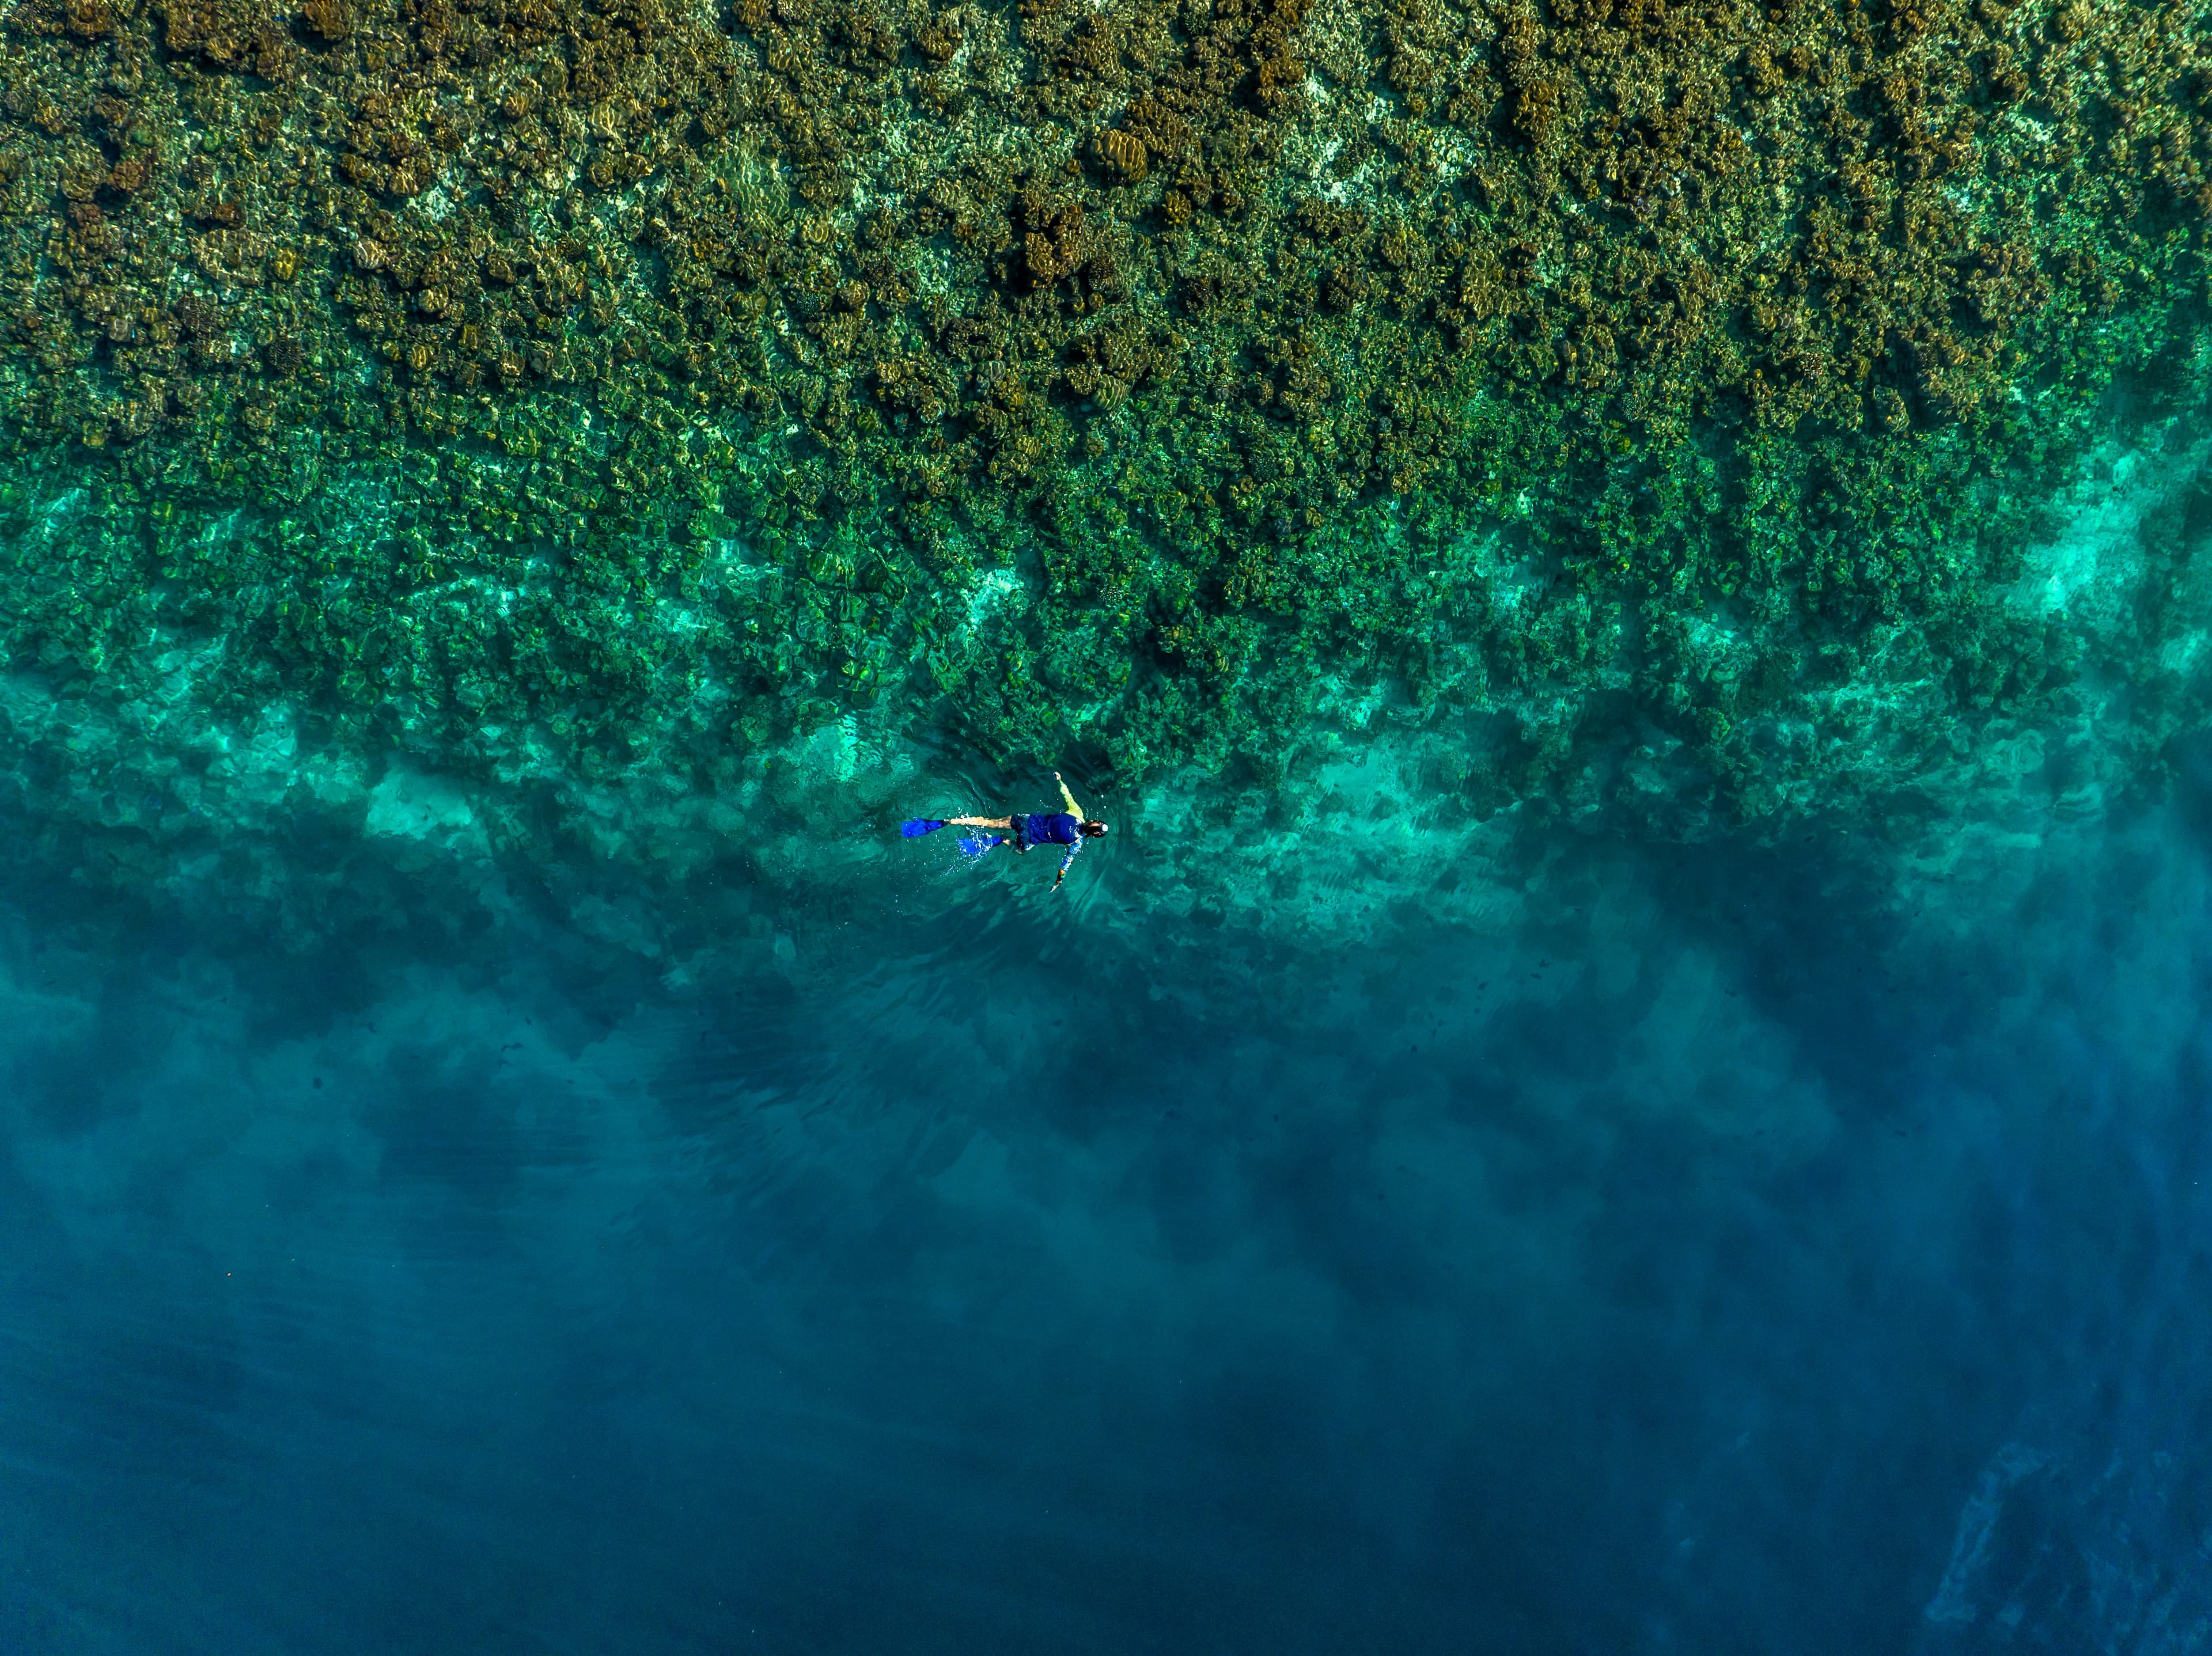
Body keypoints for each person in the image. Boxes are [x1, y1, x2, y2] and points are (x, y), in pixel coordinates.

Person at [900, 771, 1110, 892]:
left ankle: (951, 821)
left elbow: (1067, 796)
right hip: (1029, 839)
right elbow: (1066, 865)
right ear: (1094, 835)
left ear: (1092, 821)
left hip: (1024, 819)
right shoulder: (1076, 844)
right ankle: (999, 842)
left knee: (989, 822)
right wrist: (1058, 882)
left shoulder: (1076, 813)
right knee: (1021, 851)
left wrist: (1060, 780)